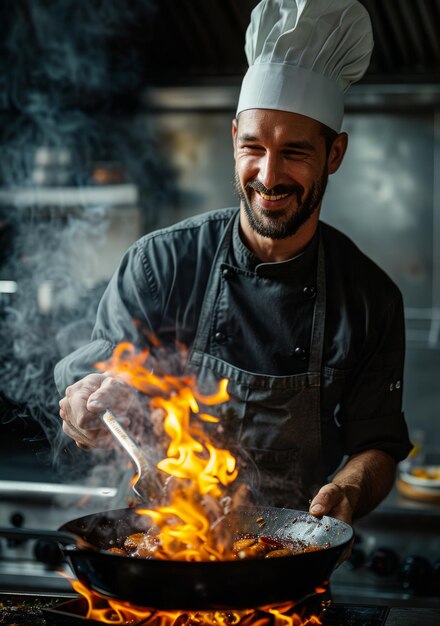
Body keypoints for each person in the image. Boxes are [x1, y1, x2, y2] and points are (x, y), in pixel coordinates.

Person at [56, 0, 412, 525]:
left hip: (284, 568)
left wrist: (349, 488)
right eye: (254, 147)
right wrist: (87, 405)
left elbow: (377, 445)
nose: (268, 176)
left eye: (294, 152)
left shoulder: (369, 300)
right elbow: (97, 380)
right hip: (161, 557)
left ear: (334, 154)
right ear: (233, 141)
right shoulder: (161, 264)